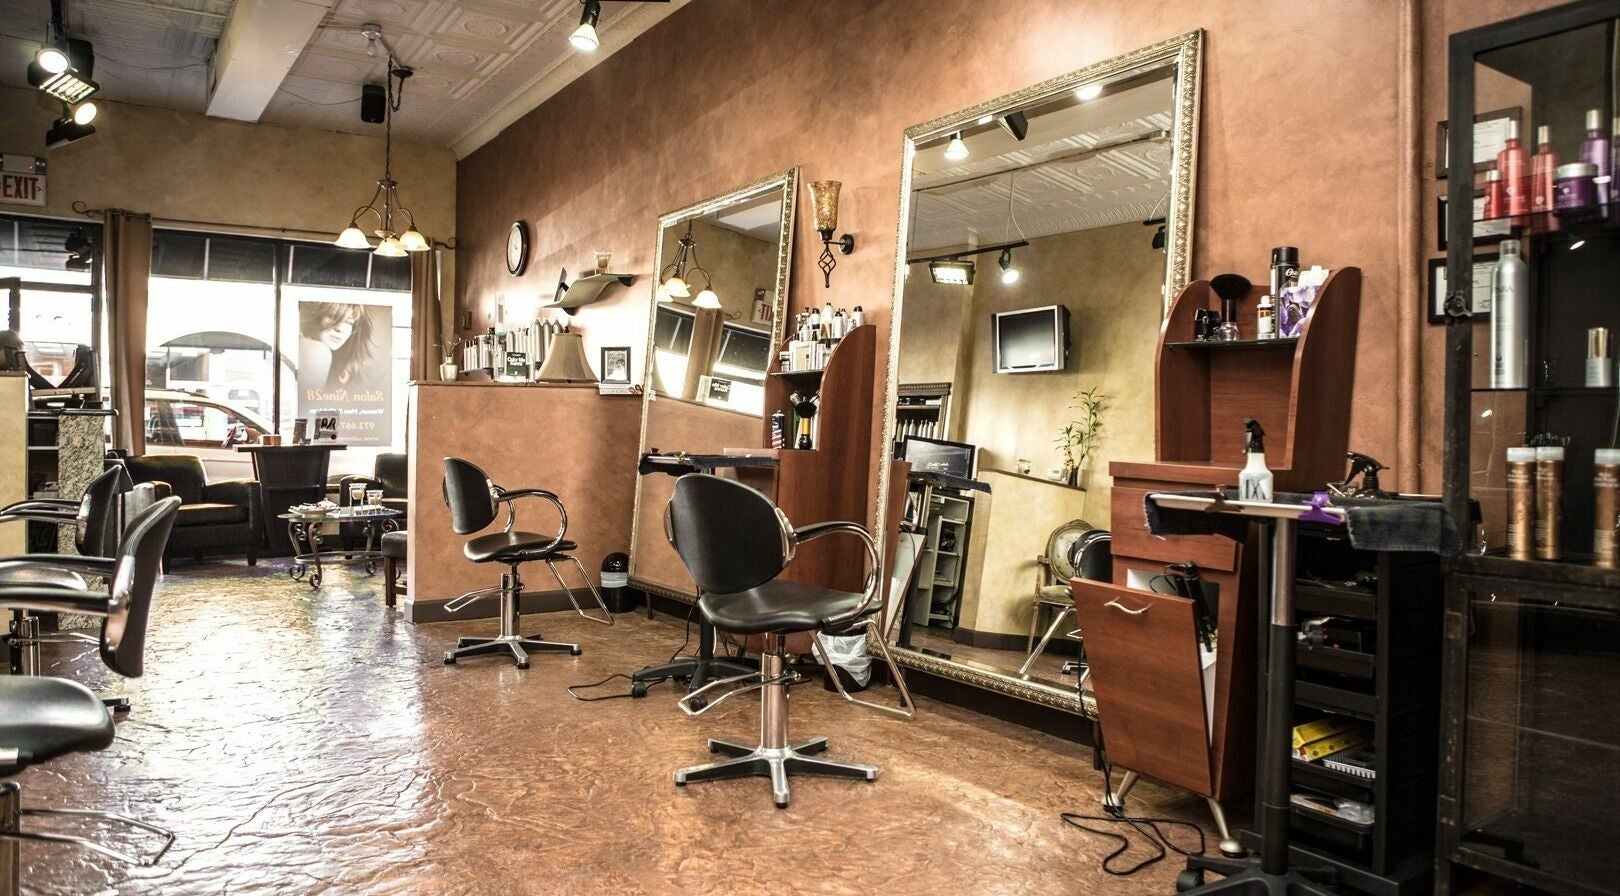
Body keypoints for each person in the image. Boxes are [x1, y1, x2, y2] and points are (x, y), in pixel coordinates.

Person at [299, 302, 381, 393]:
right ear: (315, 316)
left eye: (349, 322)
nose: (340, 329)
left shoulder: (343, 365)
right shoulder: (317, 351)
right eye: (332, 316)